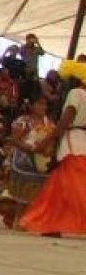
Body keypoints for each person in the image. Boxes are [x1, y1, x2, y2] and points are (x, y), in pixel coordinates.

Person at [19, 60, 86, 235]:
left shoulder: (75, 93)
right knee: (60, 185)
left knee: (72, 186)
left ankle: (53, 221)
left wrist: (46, 141)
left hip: (73, 143)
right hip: (82, 140)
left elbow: (65, 121)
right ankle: (53, 222)